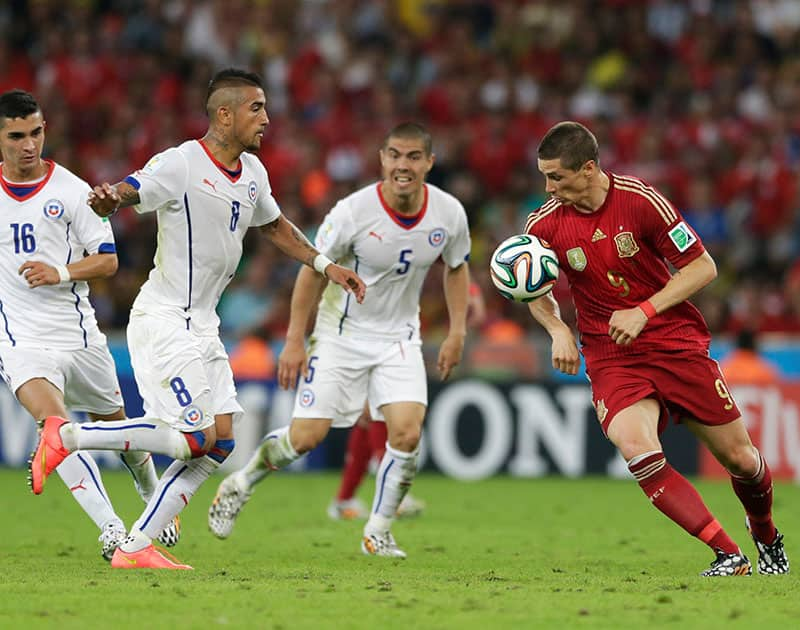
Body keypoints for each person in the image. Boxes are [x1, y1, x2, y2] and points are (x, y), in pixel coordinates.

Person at [27, 68, 366, 570]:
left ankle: (136, 545)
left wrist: (323, 263)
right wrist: (110, 197)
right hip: (163, 318)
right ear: (224, 114)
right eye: (257, 108)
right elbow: (132, 187)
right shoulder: (182, 163)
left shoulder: (253, 173)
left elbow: (274, 225)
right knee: (190, 439)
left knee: (220, 442)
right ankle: (67, 437)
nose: (267, 119)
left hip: (204, 325)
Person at [524, 121, 788, 577]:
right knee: (636, 448)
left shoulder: (640, 200)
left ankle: (765, 535)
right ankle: (728, 554)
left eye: (556, 177)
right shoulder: (544, 222)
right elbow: (533, 287)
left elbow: (702, 267)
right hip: (610, 354)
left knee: (741, 460)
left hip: (673, 342)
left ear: (588, 169)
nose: (548, 188)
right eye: (544, 177)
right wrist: (557, 330)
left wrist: (644, 310)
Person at [208, 122, 470, 559]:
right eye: (394, 155)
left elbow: (457, 268)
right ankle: (242, 481)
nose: (402, 165)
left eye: (412, 157)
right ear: (382, 158)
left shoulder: (450, 214)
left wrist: (458, 330)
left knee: (406, 434)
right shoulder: (353, 212)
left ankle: (378, 531)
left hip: (400, 336)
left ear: (429, 162)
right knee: (305, 438)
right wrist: (295, 339)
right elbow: (312, 268)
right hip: (341, 335)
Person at [0, 89, 175, 561]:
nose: (28, 145)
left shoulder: (72, 191)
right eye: (16, 136)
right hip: (21, 340)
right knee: (54, 428)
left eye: (35, 133)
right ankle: (114, 531)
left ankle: (152, 495)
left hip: (79, 339)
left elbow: (108, 262)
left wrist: (59, 272)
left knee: (121, 433)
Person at [328, 280, 485, 521]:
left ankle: (345, 500)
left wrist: (470, 291)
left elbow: (448, 257)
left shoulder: (411, 253)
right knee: (374, 411)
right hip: (355, 334)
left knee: (370, 415)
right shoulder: (369, 260)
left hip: (385, 334)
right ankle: (389, 495)